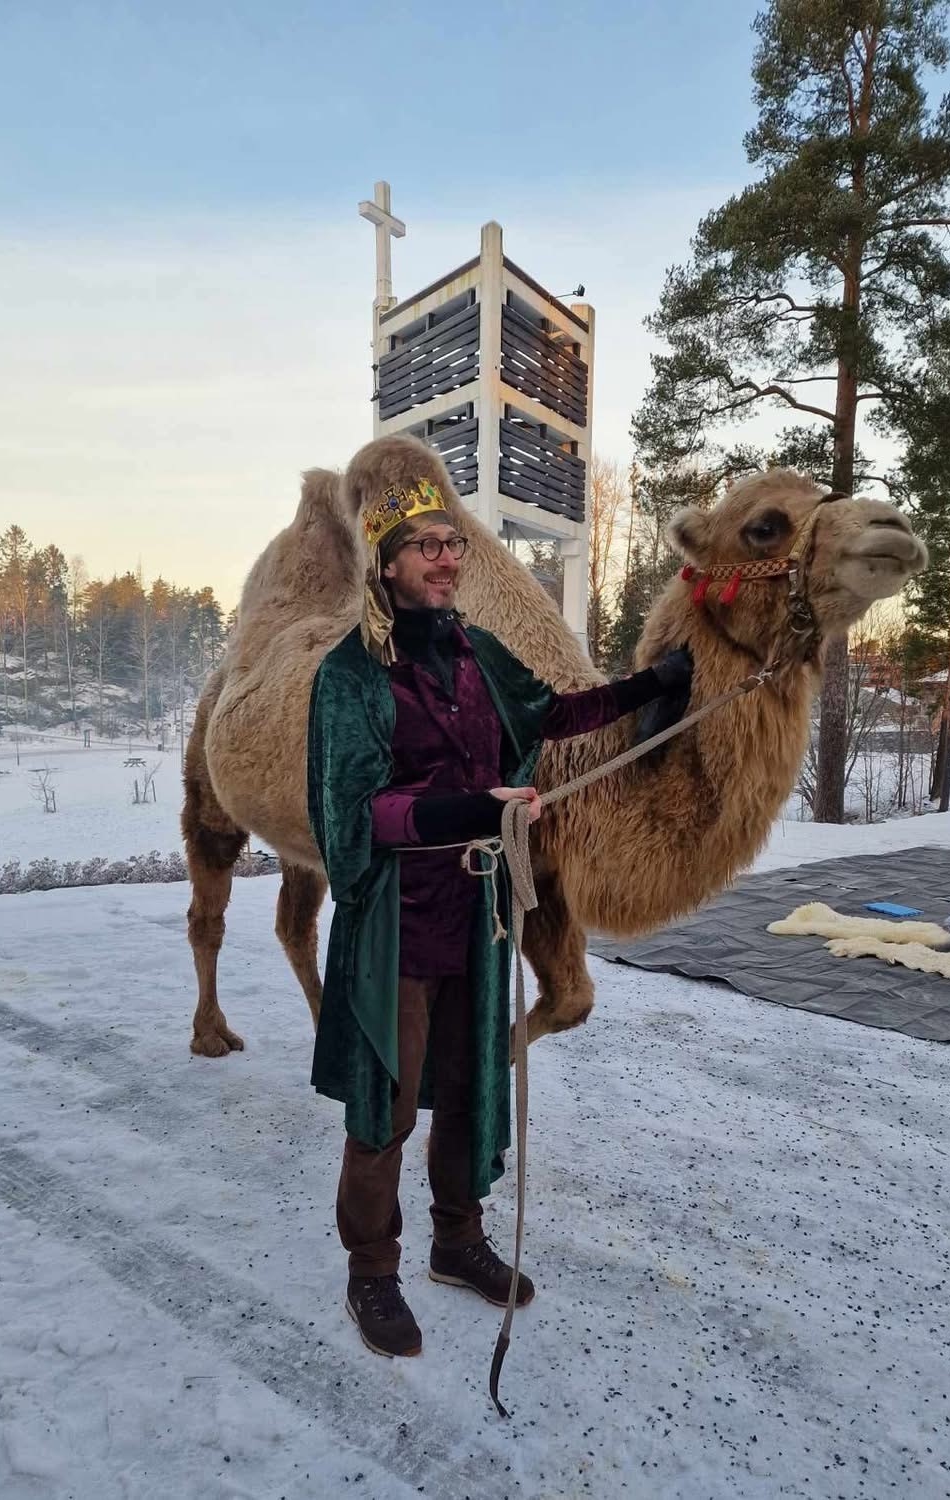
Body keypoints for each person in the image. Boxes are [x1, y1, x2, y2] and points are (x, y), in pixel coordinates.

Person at [307, 466, 691, 1359]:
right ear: (387, 565)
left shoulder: (473, 652)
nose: (447, 560)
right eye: (427, 547)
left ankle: (455, 1241)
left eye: (452, 546)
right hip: (395, 925)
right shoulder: (353, 674)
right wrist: (477, 811)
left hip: (475, 920)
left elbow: (554, 712)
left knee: (468, 1087)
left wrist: (650, 685)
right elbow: (354, 816)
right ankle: (372, 1272)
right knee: (388, 1106)